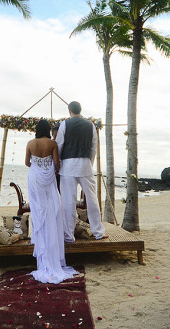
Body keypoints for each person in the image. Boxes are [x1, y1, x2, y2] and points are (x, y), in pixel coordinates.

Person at [25, 119, 78, 283]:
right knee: (53, 207)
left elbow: (27, 163)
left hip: (35, 178)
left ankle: (42, 243)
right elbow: (56, 163)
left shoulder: (30, 143)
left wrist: (37, 168)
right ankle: (52, 241)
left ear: (37, 129)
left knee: (39, 209)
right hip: (49, 178)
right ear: (48, 130)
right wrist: (51, 173)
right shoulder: (52, 143)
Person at [56, 101, 106, 241]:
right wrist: (89, 163)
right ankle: (98, 232)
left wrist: (59, 162)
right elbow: (93, 147)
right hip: (85, 164)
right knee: (92, 199)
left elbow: (59, 145)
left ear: (69, 110)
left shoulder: (65, 124)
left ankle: (69, 235)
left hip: (68, 166)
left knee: (68, 201)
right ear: (80, 110)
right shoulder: (90, 125)